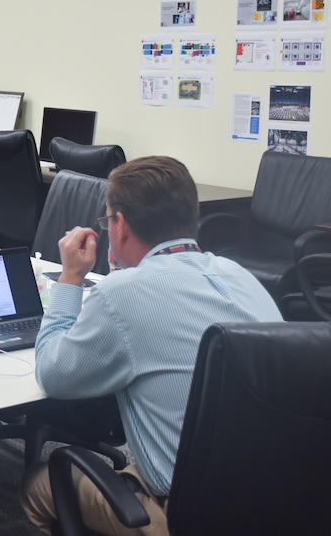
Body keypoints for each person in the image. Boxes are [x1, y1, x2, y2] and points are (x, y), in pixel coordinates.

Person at [22, 156, 282, 535]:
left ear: (120, 225)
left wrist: (71, 278)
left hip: (189, 513)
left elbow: (53, 375)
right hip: (279, 498)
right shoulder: (241, 276)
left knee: (38, 485)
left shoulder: (122, 294)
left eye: (107, 220)